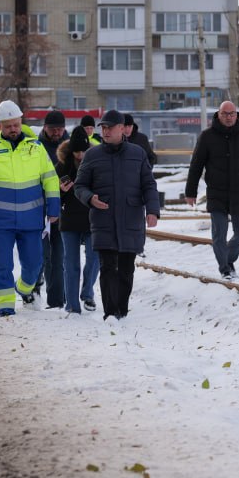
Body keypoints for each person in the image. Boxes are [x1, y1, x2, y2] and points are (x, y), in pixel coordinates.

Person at [0, 100, 60, 317]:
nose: (13, 129)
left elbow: (51, 180)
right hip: (1, 222)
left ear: (21, 122)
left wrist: (54, 208)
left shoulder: (37, 149)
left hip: (31, 220)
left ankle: (24, 287)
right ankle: (5, 305)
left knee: (35, 265)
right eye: (7, 126)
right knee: (2, 265)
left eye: (15, 124)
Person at [74, 109, 160, 320]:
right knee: (107, 267)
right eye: (102, 128)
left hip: (131, 220)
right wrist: (90, 198)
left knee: (126, 269)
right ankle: (110, 312)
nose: (105, 131)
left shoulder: (137, 153)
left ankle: (122, 309)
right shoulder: (93, 155)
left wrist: (153, 211)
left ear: (122, 129)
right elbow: (80, 185)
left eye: (110, 127)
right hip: (103, 220)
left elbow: (149, 184)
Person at [184, 101, 239, 279]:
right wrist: (191, 192)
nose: (229, 117)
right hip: (217, 192)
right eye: (225, 114)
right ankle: (224, 268)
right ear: (218, 115)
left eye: (232, 114)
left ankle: (228, 259)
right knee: (219, 234)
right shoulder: (207, 136)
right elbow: (196, 165)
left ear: (237, 115)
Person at [56, 126, 99, 314]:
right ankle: (72, 305)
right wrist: (60, 191)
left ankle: (87, 294)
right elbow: (51, 195)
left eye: (83, 151)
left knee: (94, 258)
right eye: (76, 151)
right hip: (70, 219)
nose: (80, 155)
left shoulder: (97, 163)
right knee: (70, 263)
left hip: (92, 218)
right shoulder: (62, 166)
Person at [36, 110, 69, 308]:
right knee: (39, 255)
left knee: (58, 258)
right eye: (52, 129)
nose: (57, 133)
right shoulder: (36, 147)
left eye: (60, 129)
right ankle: (32, 290)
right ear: (45, 128)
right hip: (40, 209)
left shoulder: (71, 147)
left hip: (64, 209)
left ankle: (56, 301)